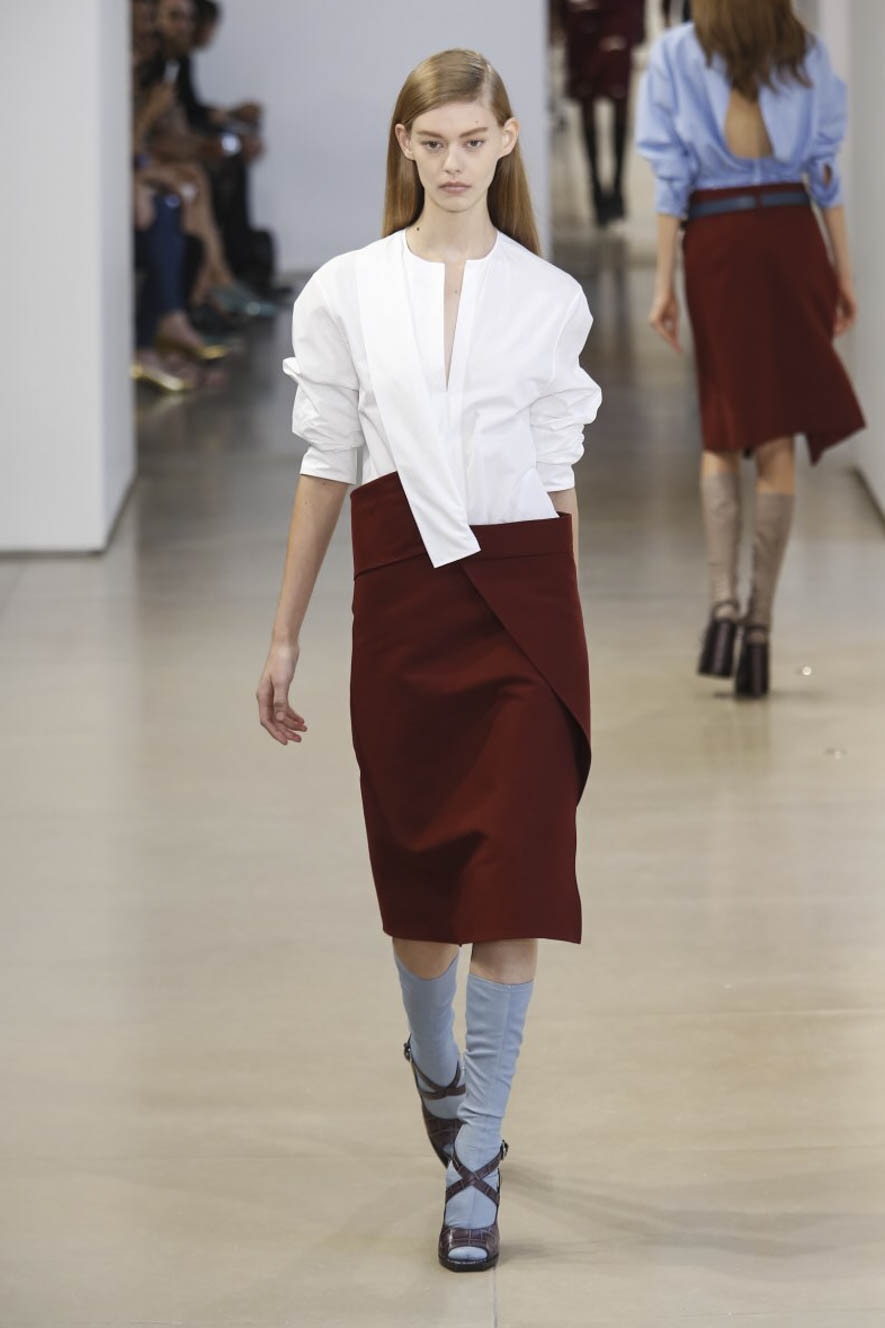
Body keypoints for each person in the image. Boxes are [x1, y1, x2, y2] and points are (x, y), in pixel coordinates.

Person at [256, 49, 601, 1271]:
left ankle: (477, 1155)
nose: (454, 162)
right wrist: (287, 630)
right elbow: (326, 464)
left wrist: (568, 636)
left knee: (514, 882)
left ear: (506, 141)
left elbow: (558, 476)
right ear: (405, 146)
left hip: (523, 606)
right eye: (432, 141)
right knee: (422, 900)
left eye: (473, 139)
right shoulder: (346, 291)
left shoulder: (552, 298)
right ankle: (437, 1059)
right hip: (404, 601)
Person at [636, 0, 864, 697]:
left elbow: (672, 179)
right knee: (776, 438)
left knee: (723, 427)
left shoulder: (679, 52)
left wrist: (663, 283)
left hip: (718, 242)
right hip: (793, 237)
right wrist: (842, 272)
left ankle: (724, 608)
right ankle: (760, 632)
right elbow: (823, 171)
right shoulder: (800, 49)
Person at [559, 0, 646, 226]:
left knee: (619, 94)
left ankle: (616, 184)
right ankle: (596, 185)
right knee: (587, 97)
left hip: (618, 11)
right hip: (583, 12)